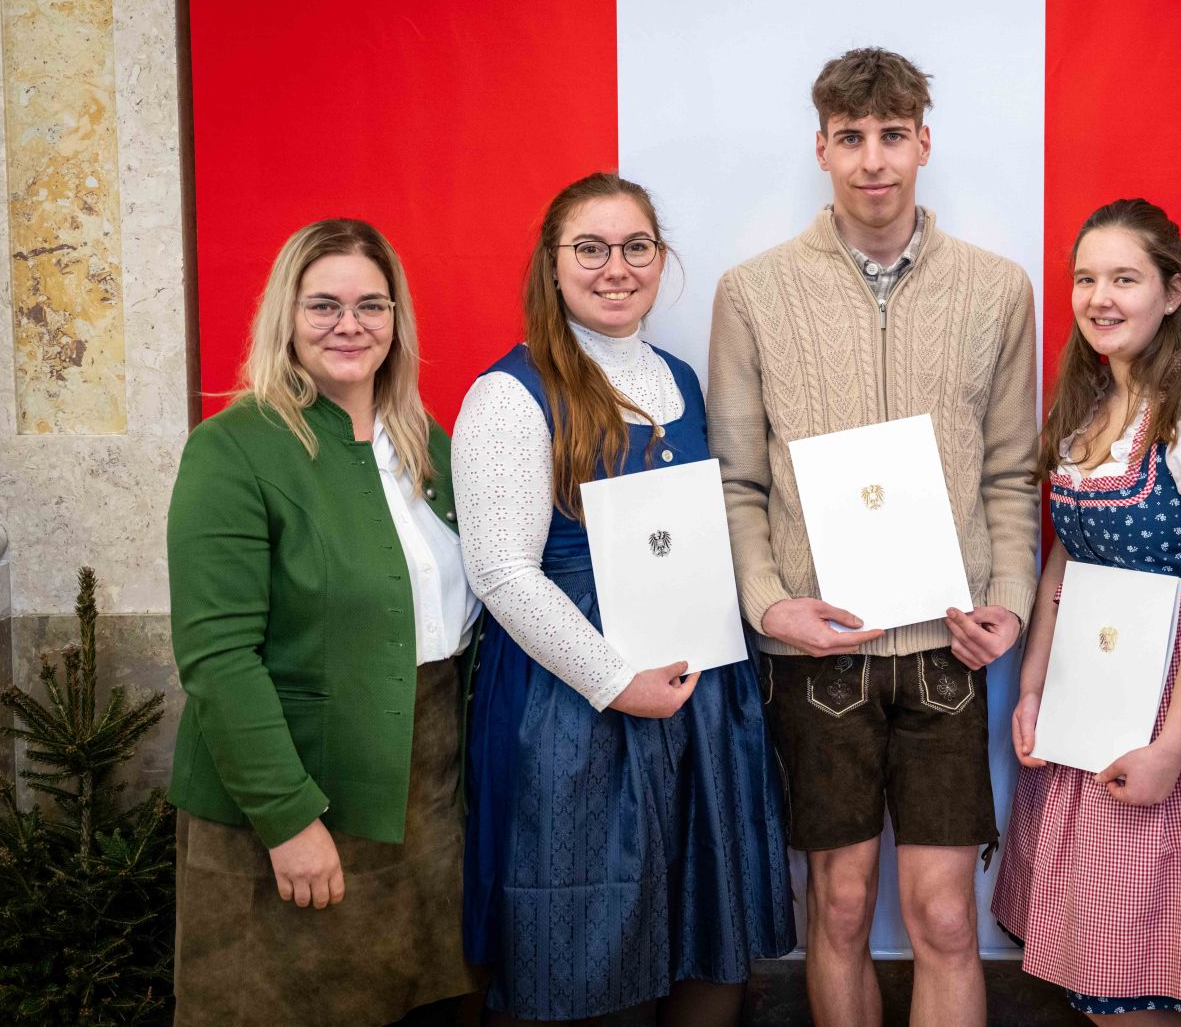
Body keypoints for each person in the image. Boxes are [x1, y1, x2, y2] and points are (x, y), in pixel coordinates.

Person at [707, 46, 1039, 1027]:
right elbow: (736, 479)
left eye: (891, 134)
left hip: (946, 649)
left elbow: (1012, 474)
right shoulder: (752, 292)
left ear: (922, 142)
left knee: (943, 917)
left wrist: (1010, 602)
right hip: (818, 652)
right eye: (850, 137)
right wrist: (770, 603)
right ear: (821, 147)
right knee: (840, 906)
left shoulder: (997, 290)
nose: (872, 159)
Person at [454, 171, 794, 1025]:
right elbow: (501, 573)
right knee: (586, 939)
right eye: (591, 248)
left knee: (703, 934)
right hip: (577, 707)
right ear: (552, 263)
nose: (616, 267)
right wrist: (613, 679)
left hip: (697, 695)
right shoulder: (509, 393)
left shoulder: (679, 375)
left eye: (636, 247)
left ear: (660, 258)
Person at [167, 219, 479, 1026]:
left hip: (425, 806)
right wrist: (289, 820)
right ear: (286, 316)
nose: (350, 324)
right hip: (298, 803)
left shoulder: (429, 445)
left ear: (396, 319)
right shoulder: (232, 449)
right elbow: (218, 658)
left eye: (371, 304)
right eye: (324, 305)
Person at [992, 198, 1181, 1023]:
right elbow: (1063, 562)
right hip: (1091, 701)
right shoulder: (1087, 408)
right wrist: (1035, 687)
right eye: (1086, 278)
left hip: (1173, 706)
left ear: (1173, 292)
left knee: (1149, 976)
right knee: (1102, 968)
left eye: (1125, 277)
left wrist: (1168, 748)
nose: (1100, 297)